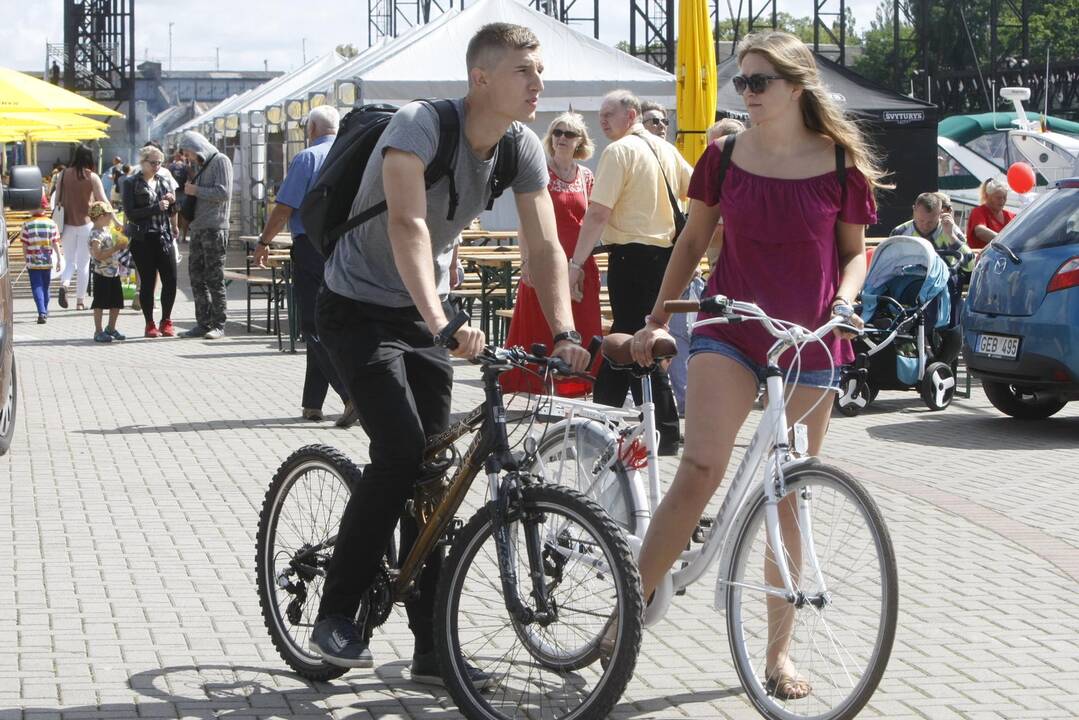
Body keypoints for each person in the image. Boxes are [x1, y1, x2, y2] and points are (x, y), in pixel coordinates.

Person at [309, 22, 591, 682]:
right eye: (526, 72)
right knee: (401, 453)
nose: (539, 84)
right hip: (355, 306)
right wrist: (443, 323)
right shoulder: (419, 126)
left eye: (541, 70)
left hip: (422, 314)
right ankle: (335, 612)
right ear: (482, 79)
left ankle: (431, 646)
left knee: (434, 478)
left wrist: (566, 332)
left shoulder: (519, 146)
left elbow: (544, 246)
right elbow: (408, 226)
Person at [627, 30, 882, 700]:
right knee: (702, 465)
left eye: (757, 82)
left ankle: (776, 656)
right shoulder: (723, 157)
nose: (745, 94)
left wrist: (846, 300)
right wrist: (657, 319)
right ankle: (627, 611)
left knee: (790, 491)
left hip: (810, 340)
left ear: (796, 86)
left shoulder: (838, 162)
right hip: (730, 329)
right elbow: (691, 240)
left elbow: (854, 252)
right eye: (740, 82)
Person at [569, 89, 691, 456]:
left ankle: (655, 429)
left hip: (633, 257)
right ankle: (607, 421)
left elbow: (598, 212)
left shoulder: (620, 150)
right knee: (629, 338)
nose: (603, 120)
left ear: (632, 113)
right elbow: (698, 190)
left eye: (610, 113)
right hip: (665, 256)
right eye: (601, 113)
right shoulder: (665, 149)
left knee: (634, 340)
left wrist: (576, 263)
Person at [254, 105, 357, 426]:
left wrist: (264, 241)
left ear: (311, 129)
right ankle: (312, 404)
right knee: (329, 325)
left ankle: (350, 395)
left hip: (312, 248)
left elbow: (284, 208)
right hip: (348, 249)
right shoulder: (352, 155)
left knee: (314, 327)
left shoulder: (306, 159)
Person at [501, 111, 600, 397]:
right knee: (541, 322)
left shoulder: (587, 176)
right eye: (557, 132)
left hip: (579, 260)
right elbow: (525, 221)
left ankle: (576, 386)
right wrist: (526, 260)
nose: (561, 138)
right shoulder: (541, 172)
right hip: (545, 255)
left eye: (569, 134)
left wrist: (579, 264)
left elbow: (592, 219)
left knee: (580, 323)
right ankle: (533, 385)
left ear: (580, 141)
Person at [667, 117, 747, 417]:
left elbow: (707, 233)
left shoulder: (731, 174)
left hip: (731, 285)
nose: (709, 148)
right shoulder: (720, 168)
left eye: (713, 142)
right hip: (719, 280)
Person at [178, 130, 233, 339]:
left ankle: (218, 324)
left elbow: (224, 192)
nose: (189, 158)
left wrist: (195, 191)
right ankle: (202, 322)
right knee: (196, 277)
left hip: (215, 228)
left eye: (189, 153)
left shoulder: (221, 161)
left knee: (214, 278)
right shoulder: (202, 166)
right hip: (199, 228)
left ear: (197, 147)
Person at [123, 145, 178, 337]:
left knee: (171, 279)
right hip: (143, 237)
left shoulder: (163, 181)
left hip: (163, 235)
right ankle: (149, 323)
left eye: (159, 163)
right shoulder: (131, 183)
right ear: (143, 162)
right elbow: (130, 213)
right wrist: (156, 207)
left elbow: (172, 211)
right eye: (152, 163)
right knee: (147, 281)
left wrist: (172, 203)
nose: (156, 166)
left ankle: (167, 320)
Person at [55, 145, 109, 311]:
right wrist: (113, 219)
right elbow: (103, 201)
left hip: (66, 225)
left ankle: (64, 284)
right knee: (84, 263)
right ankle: (80, 301)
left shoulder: (62, 175)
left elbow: (57, 199)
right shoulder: (92, 177)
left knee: (69, 261)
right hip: (87, 224)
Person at [891, 191, 976, 275]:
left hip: (944, 282)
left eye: (930, 222)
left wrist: (951, 236)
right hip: (908, 282)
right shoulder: (900, 232)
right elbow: (887, 266)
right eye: (921, 220)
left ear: (941, 213)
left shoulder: (951, 229)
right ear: (914, 210)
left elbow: (970, 266)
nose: (925, 226)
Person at [87, 201, 128, 343]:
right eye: (108, 214)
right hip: (101, 273)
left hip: (113, 273)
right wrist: (116, 248)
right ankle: (98, 331)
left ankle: (111, 327)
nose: (111, 217)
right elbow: (97, 255)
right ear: (100, 216)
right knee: (99, 303)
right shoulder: (95, 235)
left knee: (116, 302)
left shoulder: (106, 231)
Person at [20, 194, 62, 324]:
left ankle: (42, 312)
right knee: (45, 286)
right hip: (47, 260)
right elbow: (55, 243)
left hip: (33, 261)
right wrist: (59, 258)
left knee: (36, 286)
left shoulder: (27, 224)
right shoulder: (51, 224)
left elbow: (25, 244)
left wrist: (26, 258)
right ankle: (45, 309)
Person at [966, 177, 1014, 249]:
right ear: (988, 197)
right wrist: (1005, 241)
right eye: (998, 198)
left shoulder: (1010, 216)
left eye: (1004, 197)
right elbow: (980, 231)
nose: (1002, 201)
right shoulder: (978, 212)